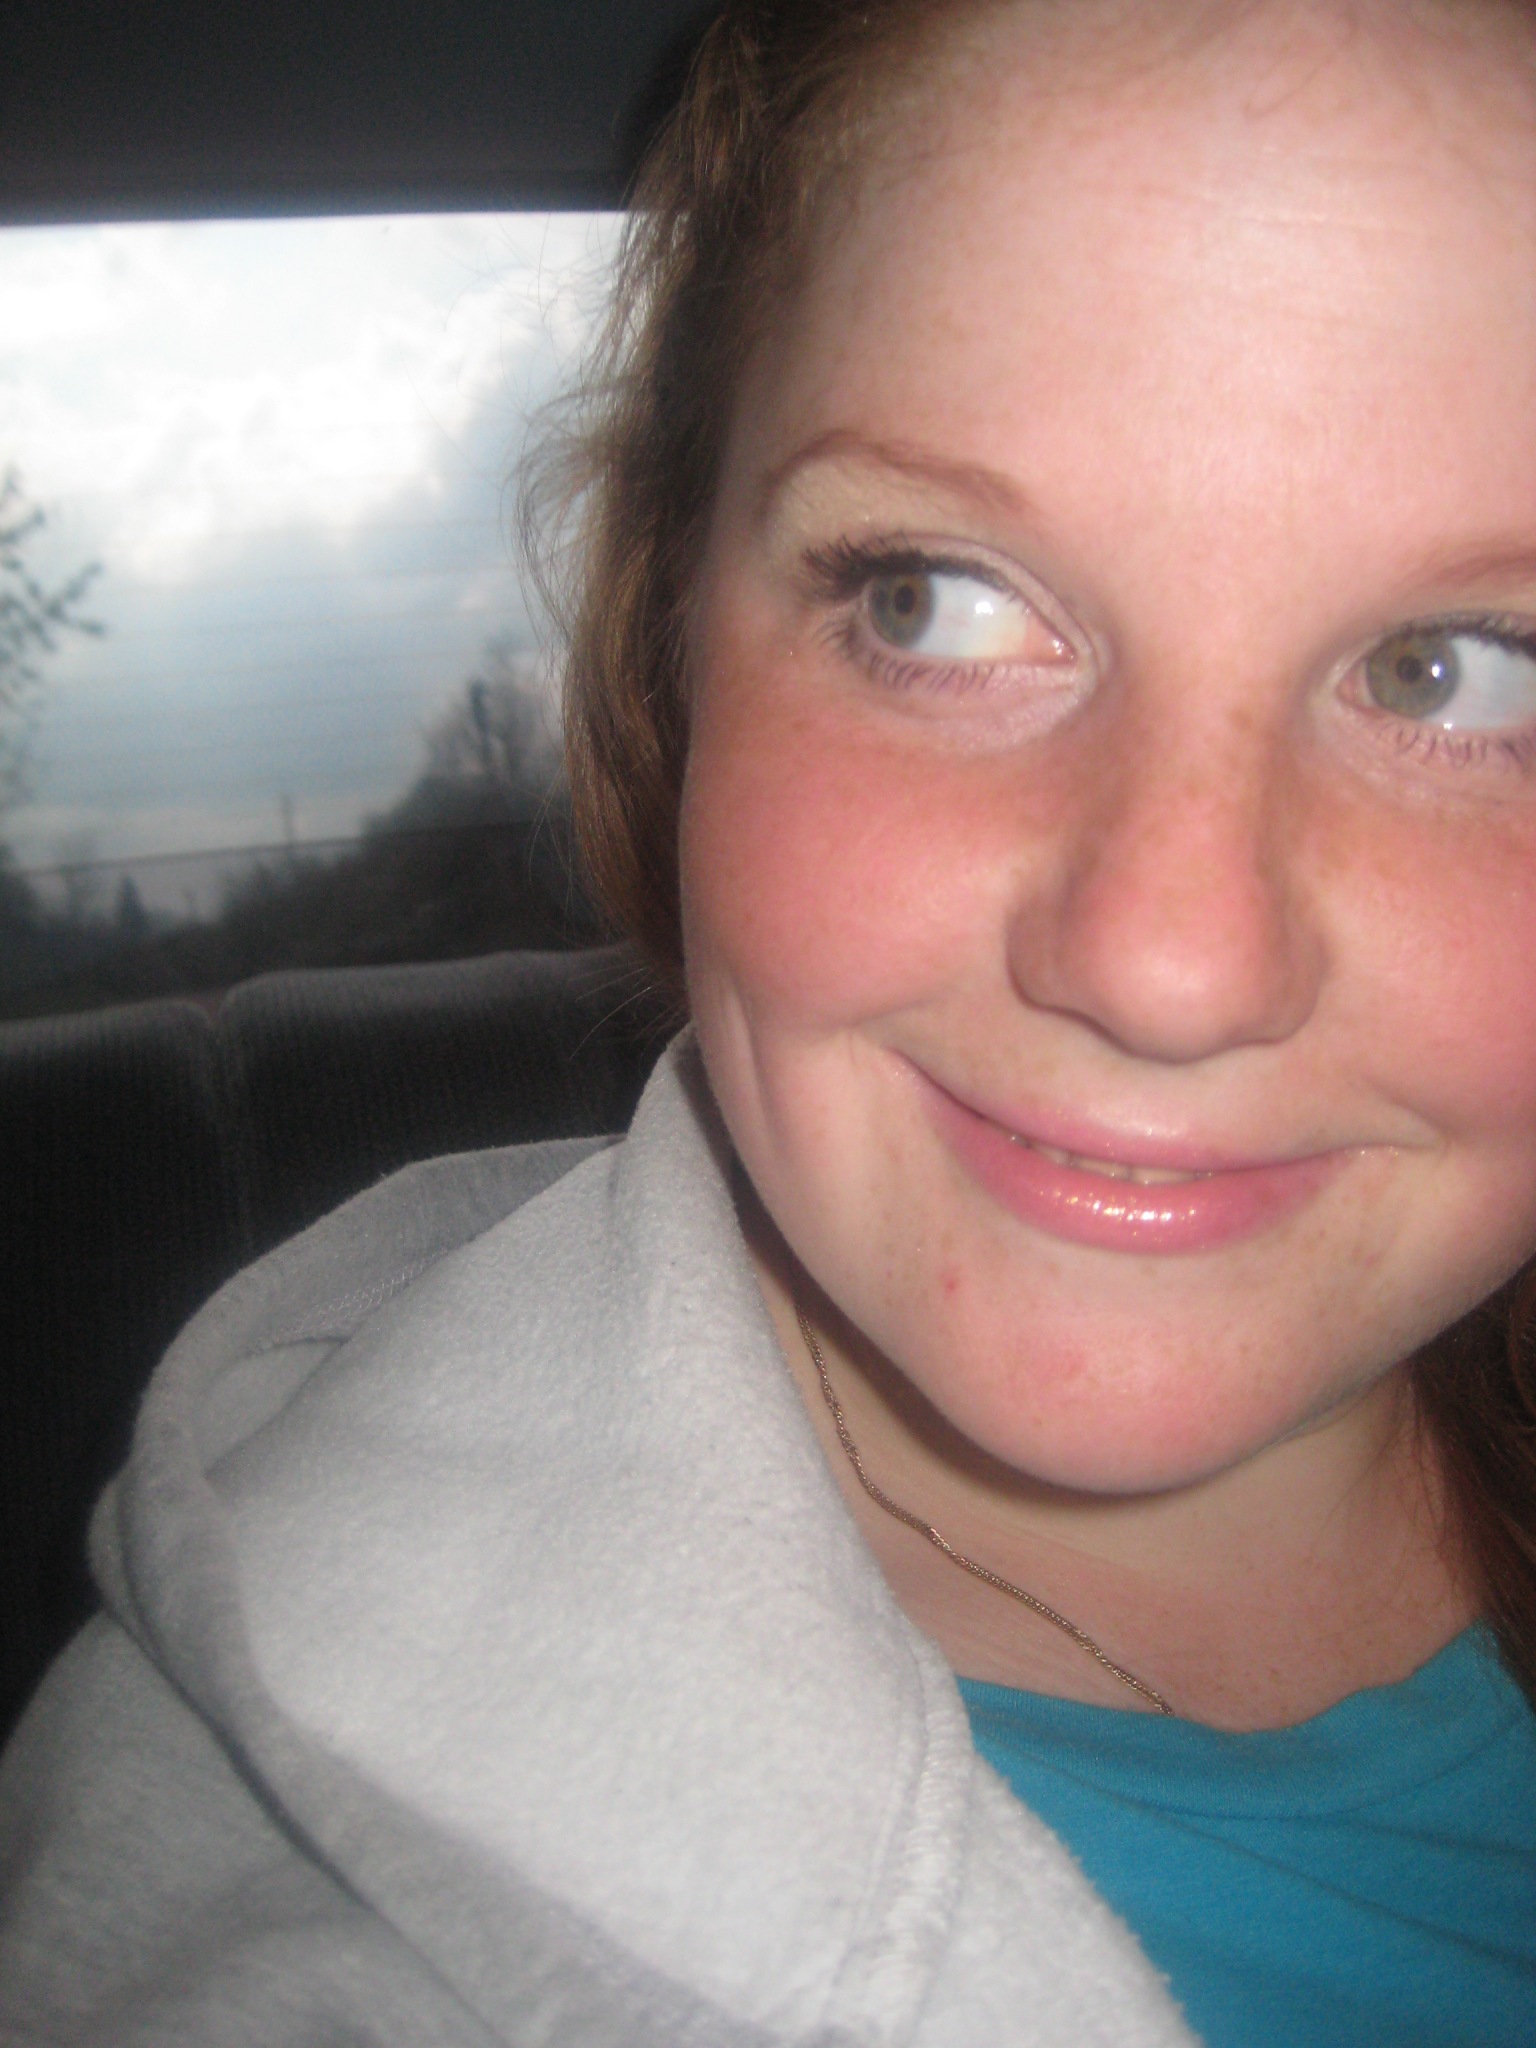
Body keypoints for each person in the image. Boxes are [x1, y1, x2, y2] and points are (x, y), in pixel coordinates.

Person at [3, 0, 1536, 2039]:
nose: (1170, 964)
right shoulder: (320, 1932)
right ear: (669, 643)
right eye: (935, 601)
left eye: (1459, 670)